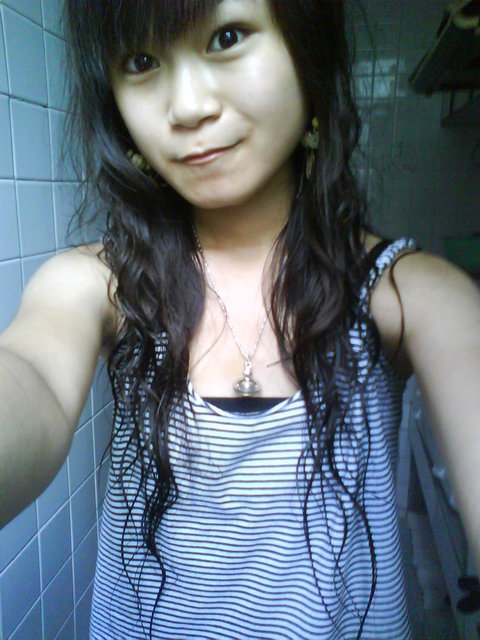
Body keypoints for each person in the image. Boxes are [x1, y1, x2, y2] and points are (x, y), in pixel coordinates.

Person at [0, 0, 479, 638]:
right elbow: (29, 373)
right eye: (141, 61)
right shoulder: (96, 283)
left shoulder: (414, 295)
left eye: (227, 37)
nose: (186, 106)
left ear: (307, 50)